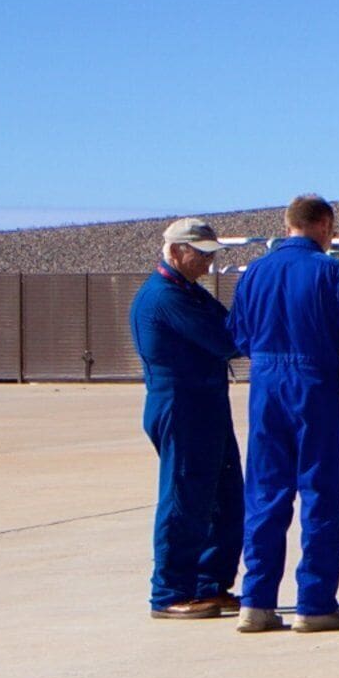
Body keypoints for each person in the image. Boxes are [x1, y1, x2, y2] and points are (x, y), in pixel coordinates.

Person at [227, 194, 339, 634]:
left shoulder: (254, 272)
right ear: (326, 226)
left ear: (287, 224)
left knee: (264, 492)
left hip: (266, 386)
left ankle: (256, 602)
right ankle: (313, 604)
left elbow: (237, 336)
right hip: (314, 387)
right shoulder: (334, 272)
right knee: (320, 490)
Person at [130, 219, 243, 618]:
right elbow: (227, 339)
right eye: (202, 254)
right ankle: (170, 592)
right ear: (176, 251)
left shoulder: (189, 292)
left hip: (207, 404)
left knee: (225, 498)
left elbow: (228, 322)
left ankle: (208, 583)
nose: (209, 262)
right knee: (184, 498)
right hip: (181, 406)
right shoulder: (164, 297)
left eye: (212, 254)